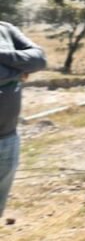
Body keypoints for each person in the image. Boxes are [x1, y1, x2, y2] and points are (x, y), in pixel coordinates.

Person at [0, 22, 47, 216]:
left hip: (8, 139)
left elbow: (39, 59)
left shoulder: (5, 29)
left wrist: (3, 58)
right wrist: (18, 70)